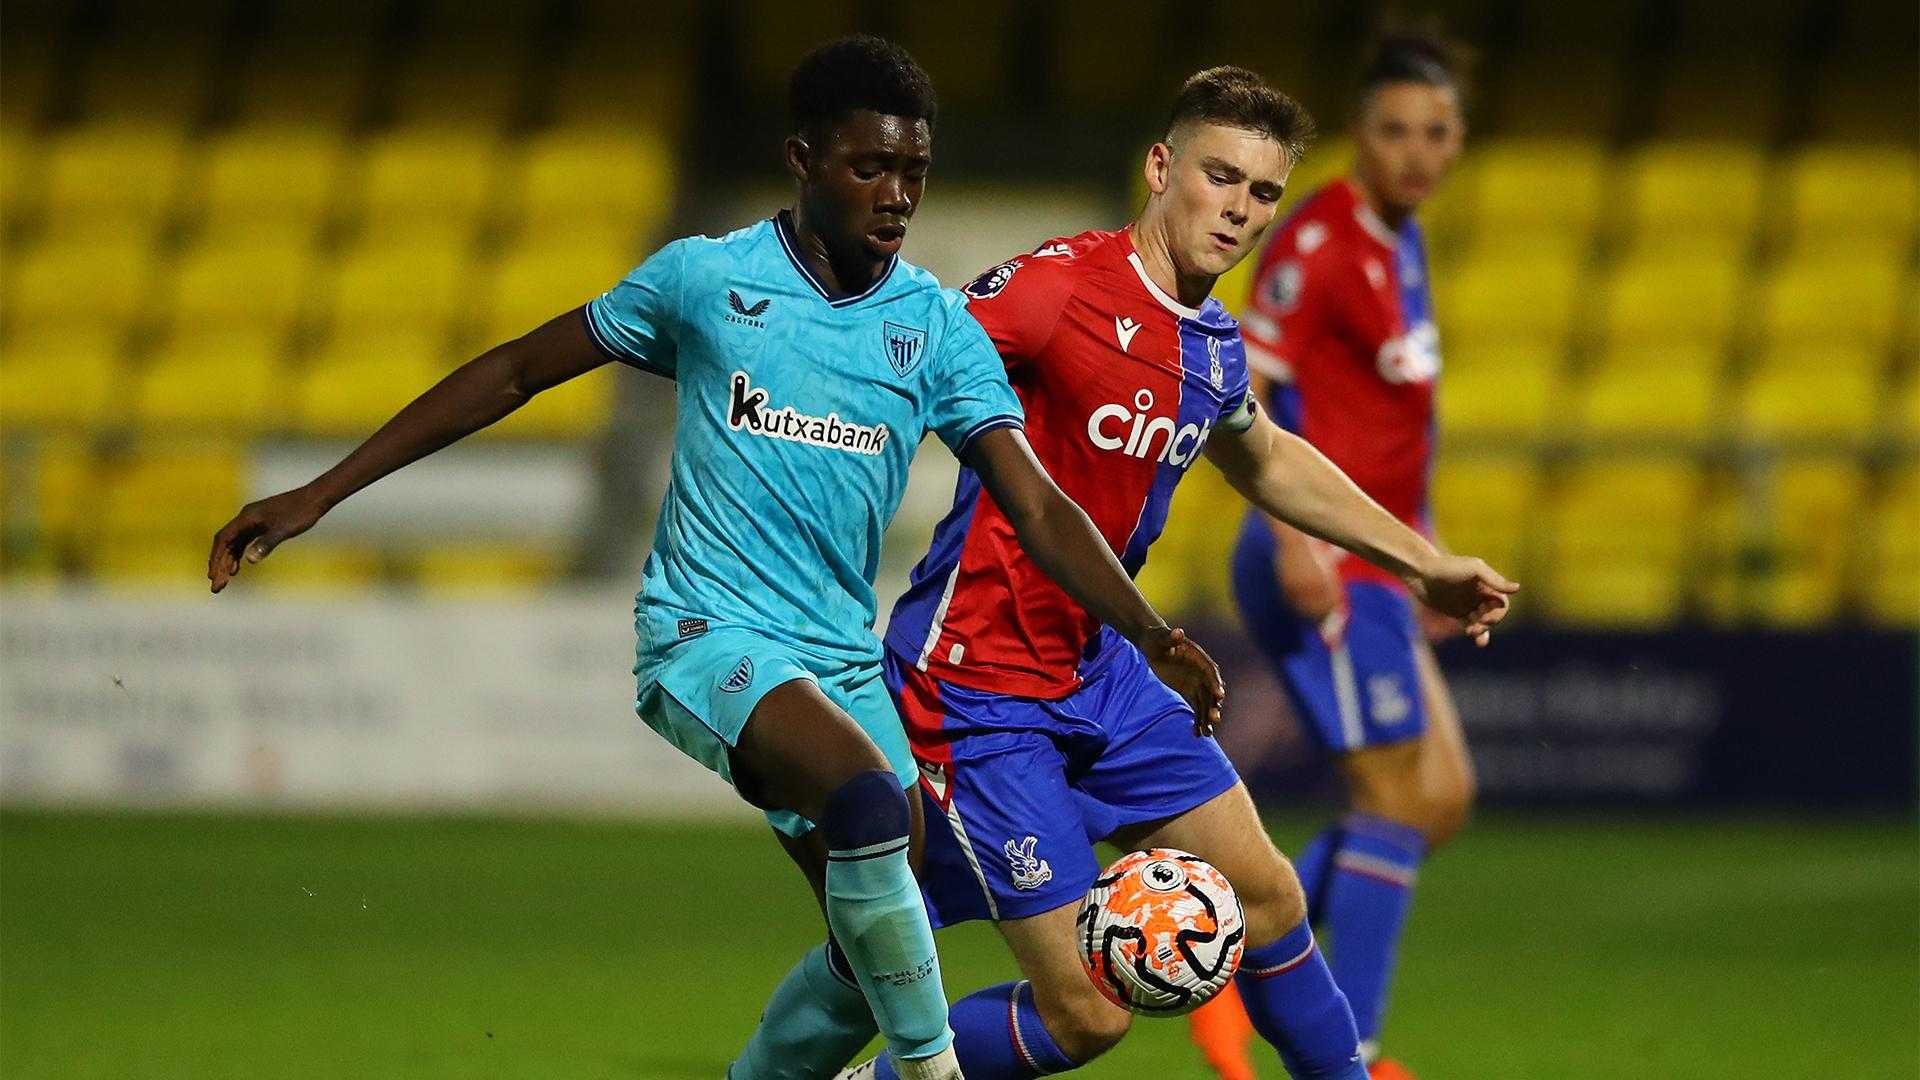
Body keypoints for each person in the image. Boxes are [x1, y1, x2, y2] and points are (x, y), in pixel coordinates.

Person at [204, 37, 1223, 1080]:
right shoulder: (706, 279)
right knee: (871, 807)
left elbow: (1038, 505)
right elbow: (516, 371)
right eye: (868, 167)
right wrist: (320, 493)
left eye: (913, 172)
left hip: (840, 660)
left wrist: (1147, 632)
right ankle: (931, 1072)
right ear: (802, 158)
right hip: (704, 638)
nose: (896, 194)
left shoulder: (933, 325)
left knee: (875, 928)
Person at [790, 65, 1511, 1080]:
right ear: (1163, 166)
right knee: (1087, 1015)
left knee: (1268, 897)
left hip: (1105, 669)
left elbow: (1266, 458)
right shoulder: (1056, 287)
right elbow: (899, 355)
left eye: (1264, 192)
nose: (1241, 209)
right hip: (978, 690)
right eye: (1221, 176)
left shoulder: (1212, 345)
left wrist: (1421, 561)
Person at [1191, 26, 1476, 1080]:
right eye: (1396, 130)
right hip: (1324, 560)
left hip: (1378, 561)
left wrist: (1426, 550)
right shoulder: (1318, 243)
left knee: (1438, 797)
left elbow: (1390, 424)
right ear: (1361, 134)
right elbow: (1250, 386)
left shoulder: (1401, 241)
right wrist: (1292, 532)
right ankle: (1343, 1050)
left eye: (1437, 132)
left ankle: (1223, 959)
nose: (1416, 151)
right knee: (1394, 802)